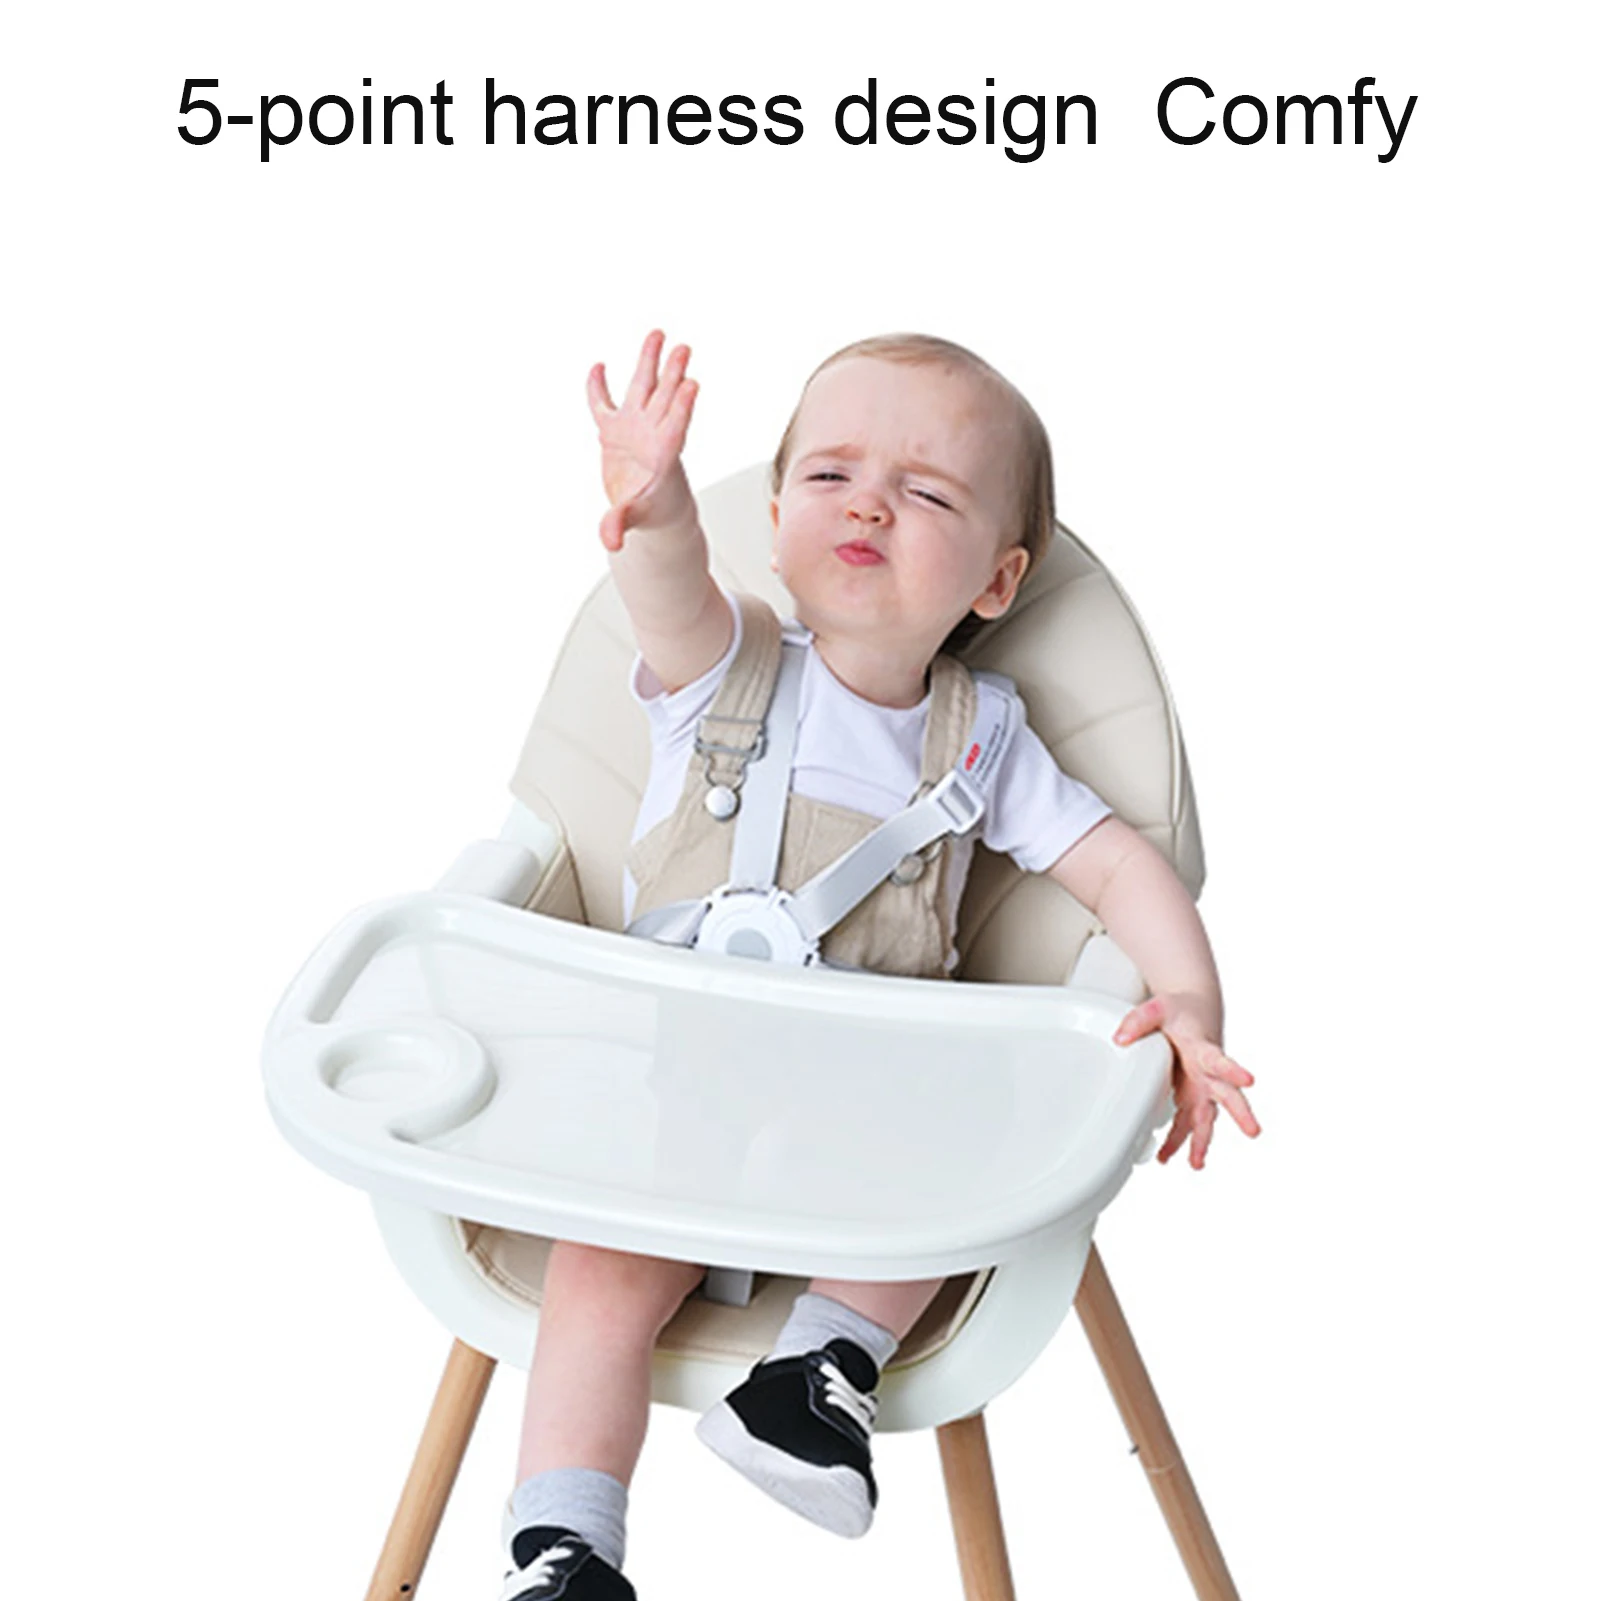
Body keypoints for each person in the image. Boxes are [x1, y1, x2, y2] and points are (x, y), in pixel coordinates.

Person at [498, 331, 1260, 1601]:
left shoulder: (982, 741)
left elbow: (1122, 867)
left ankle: (814, 1373)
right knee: (597, 1275)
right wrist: (655, 504)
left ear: (997, 580)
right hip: (672, 1099)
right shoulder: (720, 663)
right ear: (773, 521)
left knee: (968, 1152)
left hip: (861, 1123)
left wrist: (1187, 1001)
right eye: (830, 474)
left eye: (926, 493)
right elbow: (666, 587)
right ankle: (564, 1551)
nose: (867, 505)